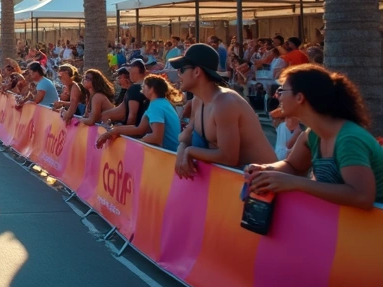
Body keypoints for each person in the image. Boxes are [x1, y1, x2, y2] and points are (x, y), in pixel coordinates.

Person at [246, 64, 383, 208]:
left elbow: (362, 196)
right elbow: (292, 166)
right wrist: (264, 170)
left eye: (281, 90)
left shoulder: (349, 139)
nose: (277, 96)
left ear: (300, 97)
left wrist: (295, 183)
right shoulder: (312, 135)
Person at [171, 44, 277, 177]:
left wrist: (190, 151)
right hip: (241, 182)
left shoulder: (225, 103)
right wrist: (182, 149)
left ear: (197, 71)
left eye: (181, 70)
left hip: (268, 186)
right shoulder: (198, 101)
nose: (178, 74)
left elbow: (229, 157)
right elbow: (185, 137)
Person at [97, 75, 182, 150]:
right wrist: (114, 130)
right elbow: (140, 129)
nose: (141, 89)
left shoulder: (156, 106)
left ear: (151, 89)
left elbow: (156, 138)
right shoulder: (161, 103)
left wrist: (136, 143)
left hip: (168, 154)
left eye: (144, 86)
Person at [101, 60, 147, 127]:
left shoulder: (134, 89)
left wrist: (124, 130)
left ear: (132, 73)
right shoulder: (149, 87)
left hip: (135, 133)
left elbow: (132, 117)